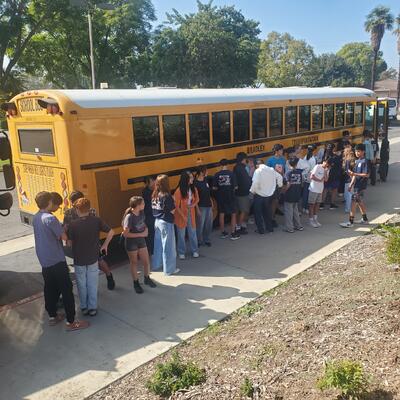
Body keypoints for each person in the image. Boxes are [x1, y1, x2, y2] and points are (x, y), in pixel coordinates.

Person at [33, 191, 89, 331]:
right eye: (54, 203)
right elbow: (63, 237)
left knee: (50, 288)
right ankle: (71, 322)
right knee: (66, 289)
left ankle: (53, 316)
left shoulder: (36, 217)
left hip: (44, 259)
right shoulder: (50, 219)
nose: (57, 206)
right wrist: (65, 230)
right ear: (49, 202)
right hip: (56, 260)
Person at [67, 198, 114, 316]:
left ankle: (84, 306)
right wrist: (105, 245)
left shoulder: (73, 224)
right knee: (92, 283)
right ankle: (93, 307)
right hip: (93, 258)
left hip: (79, 259)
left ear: (77, 209)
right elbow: (111, 232)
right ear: (89, 208)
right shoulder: (96, 220)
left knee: (81, 284)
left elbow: (69, 243)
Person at [63, 190, 115, 290]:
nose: (73, 205)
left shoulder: (91, 211)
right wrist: (68, 239)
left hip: (91, 242)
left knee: (99, 261)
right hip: (77, 243)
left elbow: (96, 225)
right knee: (83, 266)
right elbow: (66, 227)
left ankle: (109, 275)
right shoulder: (68, 213)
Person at [122, 196, 157, 293]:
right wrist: (141, 234)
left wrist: (146, 229)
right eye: (143, 203)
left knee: (146, 261)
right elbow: (125, 234)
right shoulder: (129, 217)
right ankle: (136, 283)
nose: (144, 205)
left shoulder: (141, 213)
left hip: (141, 240)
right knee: (134, 263)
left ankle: (147, 278)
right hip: (131, 242)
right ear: (137, 205)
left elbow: (142, 223)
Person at [152, 175, 179, 275]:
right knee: (168, 247)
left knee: (158, 245)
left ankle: (157, 265)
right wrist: (174, 201)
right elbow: (172, 210)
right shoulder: (167, 196)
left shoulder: (155, 194)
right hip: (166, 222)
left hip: (157, 221)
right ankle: (169, 270)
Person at [250, 159, 283, 234]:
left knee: (258, 213)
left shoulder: (258, 171)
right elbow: (280, 177)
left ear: (256, 165)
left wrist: (252, 191)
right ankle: (269, 228)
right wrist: (279, 185)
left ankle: (261, 230)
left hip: (259, 195)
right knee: (267, 212)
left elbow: (255, 182)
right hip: (269, 195)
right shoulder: (271, 170)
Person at [340, 144, 370, 228]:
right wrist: (351, 184)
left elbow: (366, 174)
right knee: (359, 202)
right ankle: (365, 219)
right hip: (356, 185)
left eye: (359, 151)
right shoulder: (357, 161)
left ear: (363, 152)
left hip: (361, 185)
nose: (357, 153)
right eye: (356, 151)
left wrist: (354, 174)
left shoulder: (365, 161)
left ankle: (351, 222)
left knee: (353, 203)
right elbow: (354, 175)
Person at [174, 171, 200, 259]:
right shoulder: (178, 191)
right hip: (180, 213)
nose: (192, 179)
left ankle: (195, 250)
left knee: (192, 232)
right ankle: (181, 252)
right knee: (181, 234)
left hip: (190, 212)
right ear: (186, 179)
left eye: (192, 177)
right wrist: (183, 216)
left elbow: (197, 199)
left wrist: (192, 205)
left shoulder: (193, 188)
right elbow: (176, 206)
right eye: (191, 177)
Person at [213, 159, 240, 240]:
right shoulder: (231, 174)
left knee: (221, 214)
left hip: (221, 197)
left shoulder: (217, 175)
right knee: (233, 214)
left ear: (220, 165)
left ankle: (223, 233)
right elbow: (236, 187)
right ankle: (233, 233)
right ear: (227, 164)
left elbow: (214, 188)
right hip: (231, 196)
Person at [282, 157, 304, 233]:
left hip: (289, 195)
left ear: (289, 164)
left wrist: (283, 191)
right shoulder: (299, 173)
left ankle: (289, 228)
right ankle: (298, 226)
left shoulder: (288, 173)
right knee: (295, 211)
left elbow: (288, 184)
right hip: (297, 193)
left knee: (289, 212)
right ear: (296, 164)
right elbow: (301, 184)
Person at [266, 144, 286, 226]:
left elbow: (283, 171)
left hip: (279, 183)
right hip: (272, 183)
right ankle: (270, 218)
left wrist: (283, 181)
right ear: (277, 151)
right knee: (272, 201)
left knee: (276, 200)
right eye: (281, 150)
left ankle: (272, 217)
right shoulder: (270, 160)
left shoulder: (283, 159)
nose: (282, 152)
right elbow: (267, 172)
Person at [308, 158, 331, 228]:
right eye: (326, 163)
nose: (326, 165)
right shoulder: (317, 166)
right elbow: (311, 176)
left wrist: (325, 172)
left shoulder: (327, 169)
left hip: (320, 190)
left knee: (317, 204)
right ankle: (311, 220)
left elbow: (326, 180)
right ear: (323, 161)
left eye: (328, 164)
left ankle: (315, 219)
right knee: (311, 205)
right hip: (313, 189)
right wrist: (319, 180)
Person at [233, 152, 252, 234]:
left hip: (236, 192)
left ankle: (236, 225)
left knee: (237, 211)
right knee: (243, 211)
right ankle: (239, 227)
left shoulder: (235, 167)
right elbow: (246, 181)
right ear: (243, 159)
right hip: (243, 193)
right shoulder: (242, 169)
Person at [195, 166, 213, 247]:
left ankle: (207, 239)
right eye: (206, 171)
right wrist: (197, 209)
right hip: (201, 206)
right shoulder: (196, 183)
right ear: (201, 172)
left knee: (208, 224)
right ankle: (199, 240)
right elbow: (195, 197)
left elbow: (208, 193)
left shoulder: (206, 180)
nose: (207, 172)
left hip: (208, 205)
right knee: (200, 225)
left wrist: (211, 201)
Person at [321, 143, 342, 210]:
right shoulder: (336, 157)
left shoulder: (324, 156)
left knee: (325, 189)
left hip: (326, 175)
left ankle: (321, 204)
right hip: (334, 175)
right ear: (333, 149)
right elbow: (339, 166)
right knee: (334, 190)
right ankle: (332, 204)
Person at [142, 176, 156, 255]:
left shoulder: (149, 190)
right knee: (151, 234)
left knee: (153, 233)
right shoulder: (146, 192)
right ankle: (152, 250)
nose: (153, 182)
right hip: (149, 215)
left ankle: (153, 250)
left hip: (152, 214)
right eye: (152, 181)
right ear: (147, 183)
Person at [301, 145, 317, 213]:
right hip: (310, 177)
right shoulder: (313, 159)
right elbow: (313, 170)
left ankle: (303, 207)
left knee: (305, 193)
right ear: (314, 151)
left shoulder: (305, 157)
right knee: (309, 193)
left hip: (304, 176)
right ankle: (307, 208)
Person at [342, 147, 356, 213]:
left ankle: (348, 209)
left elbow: (348, 171)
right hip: (353, 179)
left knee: (348, 195)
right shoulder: (353, 160)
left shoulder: (347, 161)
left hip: (348, 180)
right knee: (351, 195)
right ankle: (352, 208)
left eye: (344, 151)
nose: (343, 152)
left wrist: (351, 181)